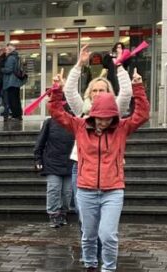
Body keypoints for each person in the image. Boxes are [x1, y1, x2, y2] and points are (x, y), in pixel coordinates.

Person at [50, 68, 149, 272]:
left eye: (108, 118)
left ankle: (108, 269)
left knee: (108, 234)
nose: (103, 123)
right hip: (85, 188)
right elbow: (57, 112)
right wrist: (56, 89)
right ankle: (90, 265)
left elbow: (141, 115)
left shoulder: (121, 128)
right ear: (93, 114)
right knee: (88, 233)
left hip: (113, 189)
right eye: (100, 118)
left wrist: (138, 88)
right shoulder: (80, 126)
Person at [64, 44, 133, 206]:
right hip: (81, 166)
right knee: (83, 213)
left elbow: (126, 93)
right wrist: (79, 65)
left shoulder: (115, 110)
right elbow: (69, 91)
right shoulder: (82, 109)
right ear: (89, 93)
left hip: (109, 168)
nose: (97, 94)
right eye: (94, 91)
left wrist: (119, 66)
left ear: (108, 93)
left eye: (102, 90)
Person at [34, 115, 75, 227]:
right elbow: (40, 142)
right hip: (52, 162)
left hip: (70, 163)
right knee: (54, 189)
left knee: (67, 192)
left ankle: (63, 213)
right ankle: (53, 215)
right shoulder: (49, 122)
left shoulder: (74, 122)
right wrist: (38, 159)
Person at [1, 43, 25, 121]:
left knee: (13, 100)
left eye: (7, 49)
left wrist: (2, 69)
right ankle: (18, 115)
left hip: (11, 82)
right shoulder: (16, 57)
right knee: (16, 99)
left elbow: (9, 69)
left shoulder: (11, 58)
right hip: (15, 82)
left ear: (10, 50)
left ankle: (16, 116)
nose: (5, 51)